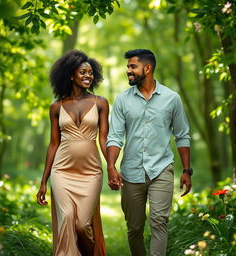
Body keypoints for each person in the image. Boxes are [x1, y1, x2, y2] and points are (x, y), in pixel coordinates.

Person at [106, 49, 192, 256]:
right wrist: (111, 166)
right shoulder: (122, 100)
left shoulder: (172, 98)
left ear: (148, 68)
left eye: (132, 66)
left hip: (161, 170)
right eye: (128, 67)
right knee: (134, 228)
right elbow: (115, 137)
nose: (128, 71)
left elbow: (182, 135)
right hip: (131, 172)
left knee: (159, 222)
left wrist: (187, 171)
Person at [36, 50, 109, 256]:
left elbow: (104, 139)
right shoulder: (56, 107)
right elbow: (53, 144)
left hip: (91, 171)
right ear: (70, 75)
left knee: (82, 225)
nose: (88, 76)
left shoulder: (101, 102)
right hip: (62, 171)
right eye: (82, 72)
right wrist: (44, 181)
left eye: (91, 73)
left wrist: (112, 167)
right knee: (67, 217)